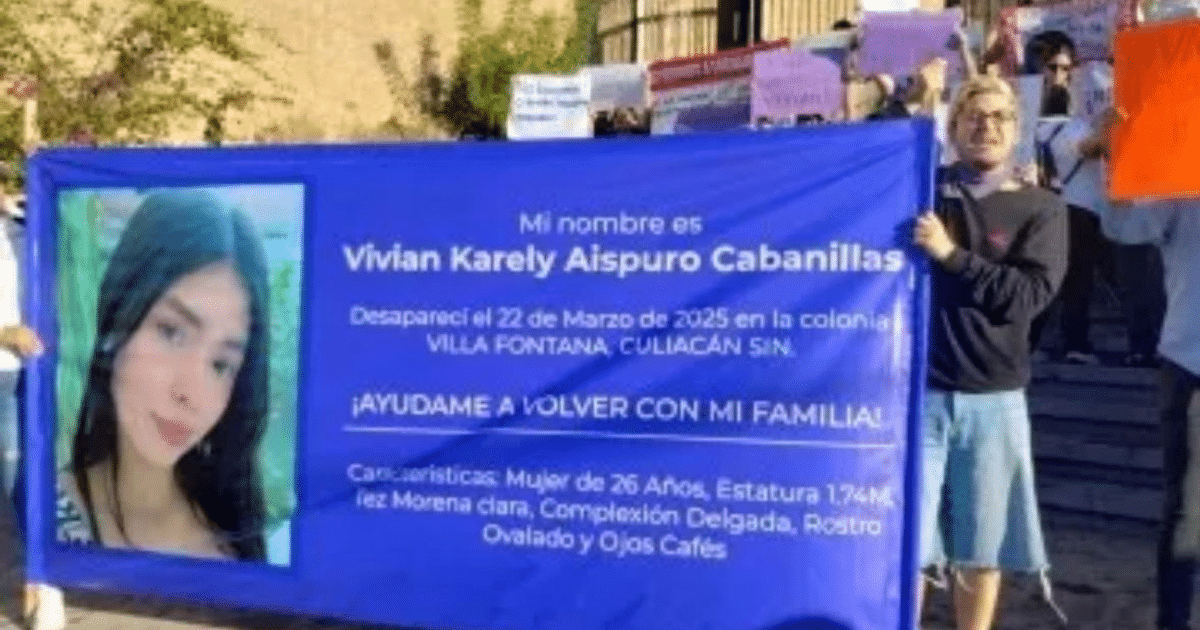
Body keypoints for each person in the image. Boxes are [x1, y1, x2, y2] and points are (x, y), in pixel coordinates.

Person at [912, 75, 1067, 630]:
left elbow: (1027, 296)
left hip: (994, 399)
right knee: (910, 543)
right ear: (953, 129)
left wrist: (950, 256)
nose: (987, 126)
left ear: (1018, 131)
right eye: (974, 115)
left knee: (981, 550)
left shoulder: (1042, 209)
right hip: (920, 398)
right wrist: (920, 98)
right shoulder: (923, 191)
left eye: (1000, 116)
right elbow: (873, 168)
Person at [58, 189, 276, 562]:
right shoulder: (40, 522)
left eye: (221, 365)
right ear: (118, 318)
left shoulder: (235, 542)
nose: (191, 392)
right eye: (171, 332)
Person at [1091, 108, 1200, 629]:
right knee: (1188, 515)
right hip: (1191, 366)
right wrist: (1120, 155)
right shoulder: (1186, 184)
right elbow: (1125, 224)